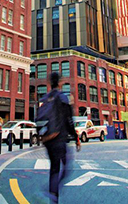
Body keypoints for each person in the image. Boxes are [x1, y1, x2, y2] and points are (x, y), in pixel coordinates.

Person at [38, 72, 80, 204]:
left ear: (49, 83)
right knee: (66, 168)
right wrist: (76, 137)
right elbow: (69, 120)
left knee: (54, 168)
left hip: (48, 139)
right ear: (60, 82)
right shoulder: (62, 97)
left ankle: (52, 196)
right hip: (59, 138)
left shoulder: (45, 98)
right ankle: (51, 193)